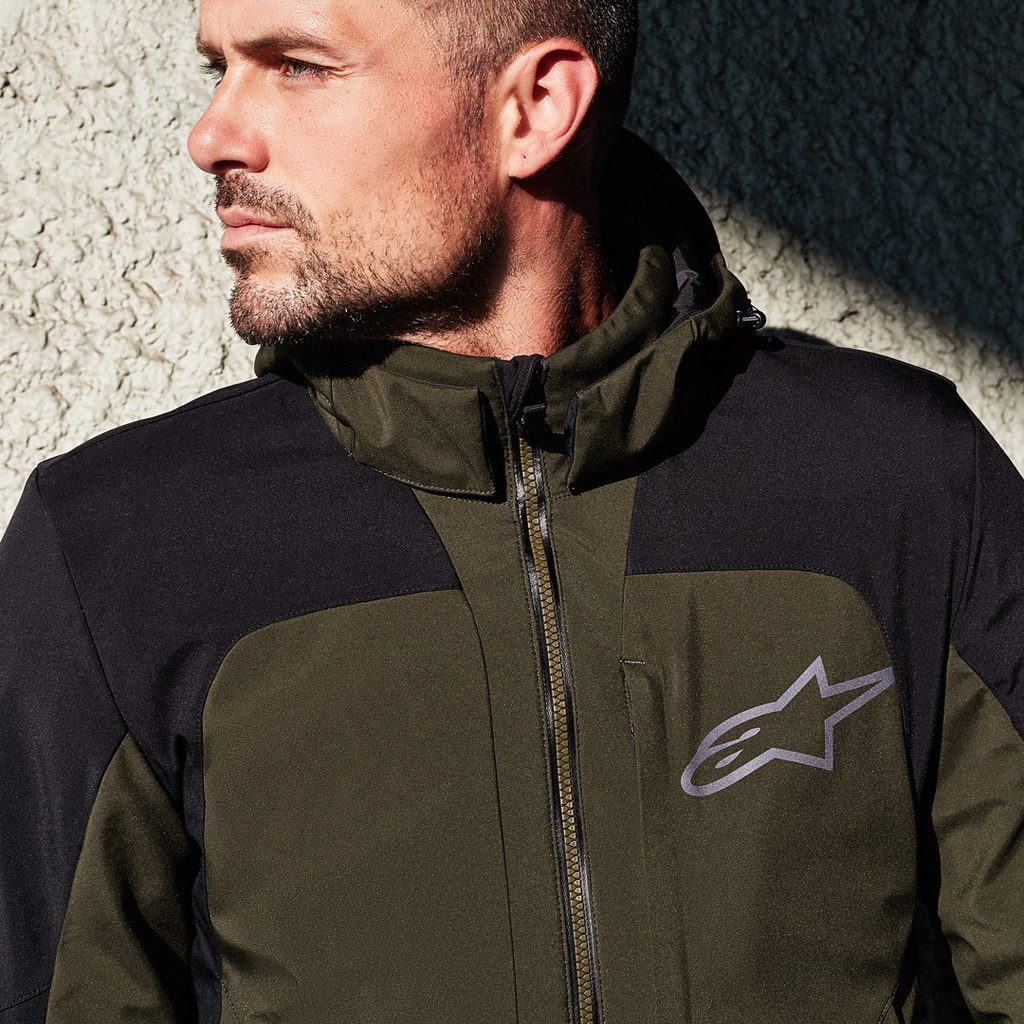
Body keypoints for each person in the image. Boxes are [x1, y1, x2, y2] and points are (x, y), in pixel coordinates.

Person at [0, 0, 1021, 1021]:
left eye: (299, 66)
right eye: (218, 69)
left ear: (535, 108)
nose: (212, 135)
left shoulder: (896, 481)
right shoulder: (115, 547)